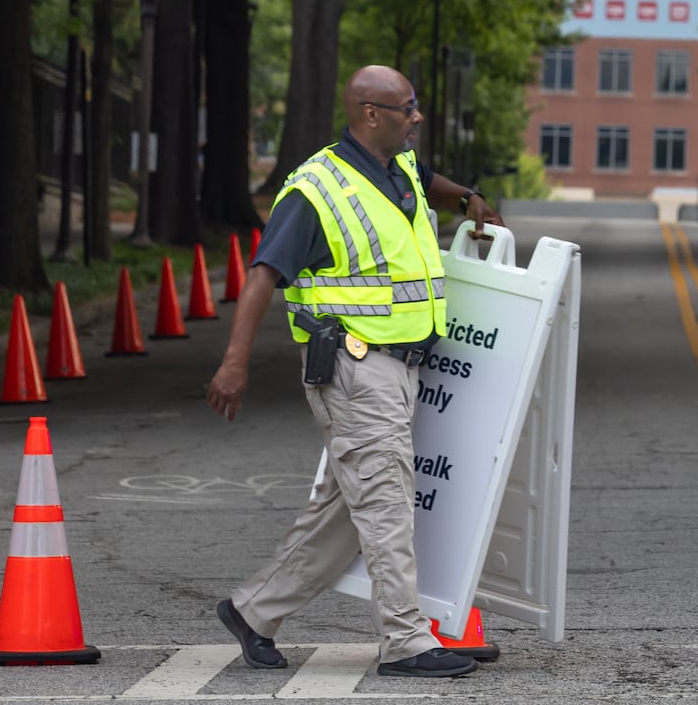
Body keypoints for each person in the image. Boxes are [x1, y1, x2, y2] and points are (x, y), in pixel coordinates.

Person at [205, 64, 505, 678]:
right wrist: (234, 363)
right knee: (387, 499)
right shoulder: (314, 191)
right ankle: (406, 641)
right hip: (352, 362)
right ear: (372, 113)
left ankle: (252, 611)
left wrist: (469, 196)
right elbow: (263, 273)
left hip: (399, 365)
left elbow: (428, 180)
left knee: (350, 509)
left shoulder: (401, 171)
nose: (417, 116)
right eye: (408, 108)